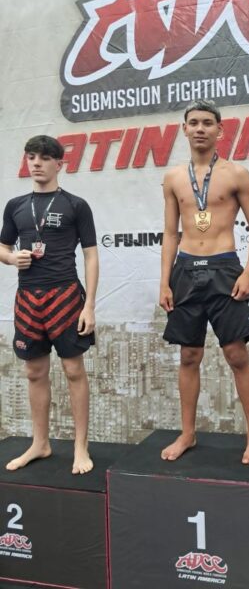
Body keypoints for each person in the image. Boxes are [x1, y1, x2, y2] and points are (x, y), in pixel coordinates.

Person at [159, 99, 249, 465]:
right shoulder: (174, 178)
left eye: (207, 123)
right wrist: (164, 282)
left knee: (236, 354)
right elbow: (170, 233)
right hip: (186, 269)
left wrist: (248, 273)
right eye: (194, 123)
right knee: (188, 355)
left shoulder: (236, 174)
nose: (200, 128)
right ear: (184, 129)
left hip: (224, 268)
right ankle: (187, 433)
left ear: (220, 130)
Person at [0, 135, 98, 474]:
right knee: (34, 372)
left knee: (73, 370)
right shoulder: (15, 205)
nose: (36, 163)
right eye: (31, 157)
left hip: (65, 296)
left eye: (44, 158)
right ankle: (40, 443)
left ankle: (80, 447)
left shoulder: (76, 205)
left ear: (60, 163)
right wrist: (11, 258)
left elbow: (91, 255)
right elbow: (2, 247)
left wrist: (89, 306)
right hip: (28, 298)